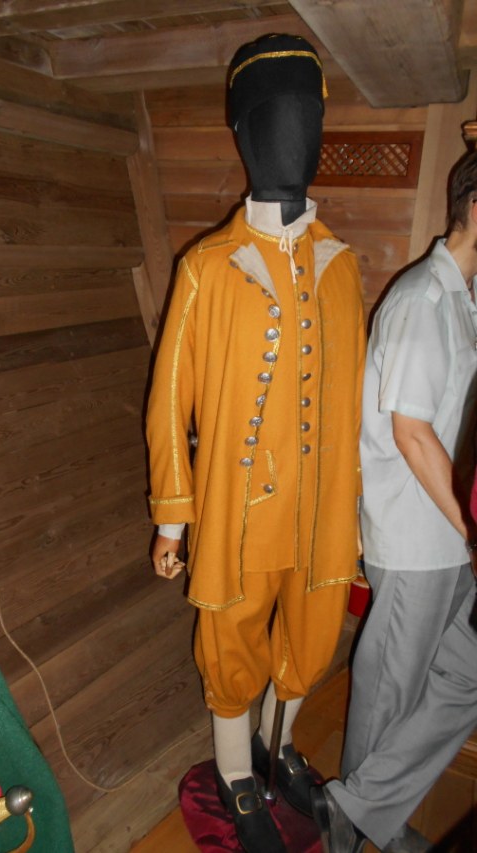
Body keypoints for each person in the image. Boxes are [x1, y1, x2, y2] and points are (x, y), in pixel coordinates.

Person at [145, 33, 366, 853]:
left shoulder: (342, 265)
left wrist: (363, 506)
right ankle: (237, 772)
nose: (294, 135)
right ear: (244, 131)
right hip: (239, 511)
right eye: (277, 116)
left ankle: (277, 747)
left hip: (321, 510)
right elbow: (169, 398)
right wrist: (173, 519)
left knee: (312, 636)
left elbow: (357, 400)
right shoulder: (207, 266)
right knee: (230, 644)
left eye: (308, 117)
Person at [311, 150, 477, 853]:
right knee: (389, 694)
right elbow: (411, 433)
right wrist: (472, 530)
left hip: (453, 536)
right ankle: (352, 832)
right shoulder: (422, 302)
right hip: (418, 539)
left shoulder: (465, 299)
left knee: (465, 676)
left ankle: (360, 808)